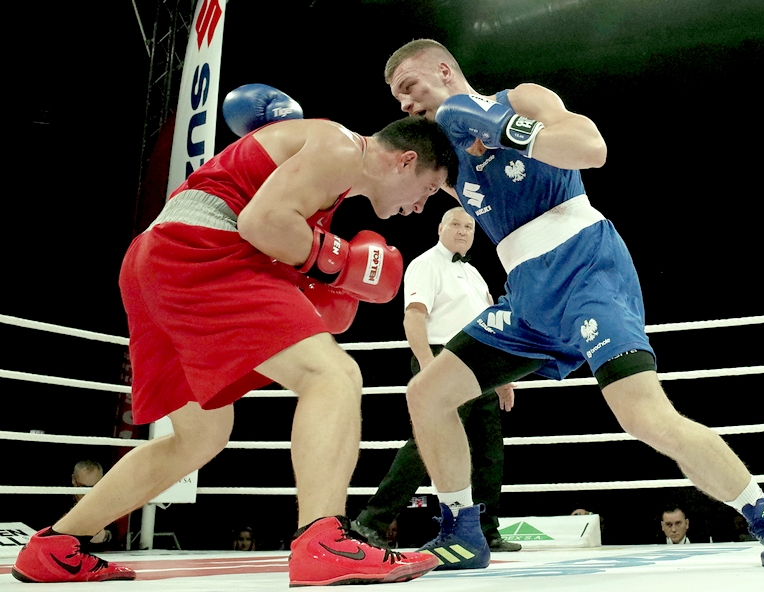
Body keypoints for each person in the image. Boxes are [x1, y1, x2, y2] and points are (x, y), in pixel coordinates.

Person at [383, 38, 764, 570]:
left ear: (445, 71)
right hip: (527, 296)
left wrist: (505, 129)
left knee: (646, 416)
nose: (405, 103)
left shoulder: (520, 100)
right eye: (397, 98)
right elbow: (384, 173)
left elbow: (592, 149)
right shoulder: (445, 156)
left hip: (587, 268)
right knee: (427, 393)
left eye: (409, 87)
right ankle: (463, 531)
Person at [12, 85, 459, 586]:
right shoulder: (341, 148)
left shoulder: (327, 171)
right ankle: (324, 541)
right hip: (196, 251)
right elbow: (261, 223)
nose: (419, 207)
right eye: (427, 190)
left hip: (155, 261)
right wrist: (338, 264)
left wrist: (322, 274)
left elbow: (267, 229)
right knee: (333, 375)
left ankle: (56, 546)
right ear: (405, 161)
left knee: (200, 436)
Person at [351, 207, 521, 553]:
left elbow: (492, 325)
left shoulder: (474, 274)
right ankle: (371, 522)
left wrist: (503, 377)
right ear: (440, 228)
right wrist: (429, 366)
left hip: (482, 364)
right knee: (426, 445)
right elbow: (414, 317)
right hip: (444, 358)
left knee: (488, 451)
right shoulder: (426, 264)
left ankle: (485, 530)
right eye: (455, 224)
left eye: (469, 226)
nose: (462, 231)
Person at [69, 461, 120, 552]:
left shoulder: (109, 502)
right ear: (73, 480)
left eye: (95, 487)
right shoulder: (59, 501)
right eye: (84, 487)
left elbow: (116, 535)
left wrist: (105, 536)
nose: (89, 493)